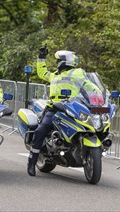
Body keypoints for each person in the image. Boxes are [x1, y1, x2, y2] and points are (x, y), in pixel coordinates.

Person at [27, 45, 101, 176]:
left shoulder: (77, 73)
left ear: (63, 61)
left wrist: (100, 95)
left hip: (73, 107)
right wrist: (41, 58)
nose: (56, 63)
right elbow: (42, 73)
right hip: (55, 108)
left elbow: (89, 86)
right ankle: (32, 162)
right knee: (41, 130)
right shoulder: (55, 75)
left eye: (57, 60)